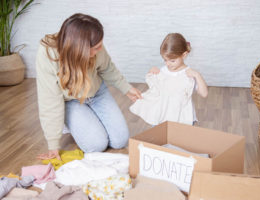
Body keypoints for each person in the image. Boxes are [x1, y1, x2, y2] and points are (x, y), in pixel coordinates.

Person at [36, 13, 142, 160]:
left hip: (97, 93)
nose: (100, 50)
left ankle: (86, 120)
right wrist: (53, 144)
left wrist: (127, 88)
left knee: (120, 141)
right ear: (79, 49)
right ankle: (73, 121)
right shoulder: (48, 54)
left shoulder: (93, 40)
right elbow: (49, 101)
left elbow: (107, 68)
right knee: (96, 145)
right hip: (71, 100)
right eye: (96, 47)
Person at [130, 33, 208, 126]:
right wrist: (151, 73)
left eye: (172, 61)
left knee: (181, 139)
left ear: (184, 55)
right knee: (160, 137)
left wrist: (197, 75)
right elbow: (155, 91)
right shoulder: (163, 71)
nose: (168, 64)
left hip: (182, 118)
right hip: (162, 116)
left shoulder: (189, 74)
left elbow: (204, 93)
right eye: (165, 60)